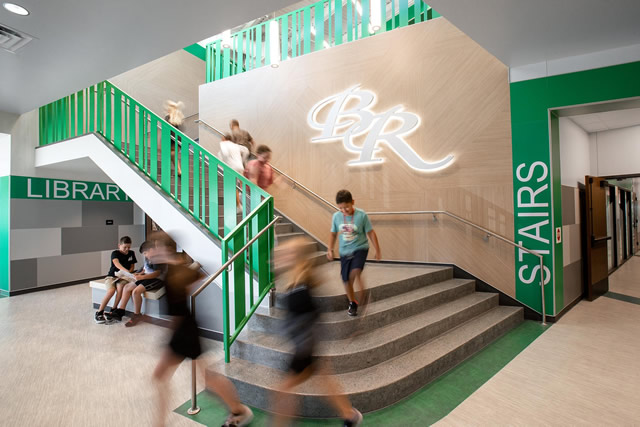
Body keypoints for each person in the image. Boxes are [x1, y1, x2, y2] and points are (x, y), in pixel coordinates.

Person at [150, 232, 253, 427]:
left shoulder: (172, 274)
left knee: (168, 376)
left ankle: (239, 410)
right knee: (200, 376)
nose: (152, 251)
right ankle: (238, 409)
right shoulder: (177, 269)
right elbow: (194, 276)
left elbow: (177, 314)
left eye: (155, 246)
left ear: (164, 248)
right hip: (188, 329)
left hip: (183, 331)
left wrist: (167, 336)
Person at [271, 237, 363, 427]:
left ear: (297, 258)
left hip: (305, 347)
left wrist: (306, 347)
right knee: (324, 381)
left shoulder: (301, 286)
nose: (279, 257)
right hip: (306, 345)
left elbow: (311, 317)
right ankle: (349, 415)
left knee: (282, 391)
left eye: (286, 254)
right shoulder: (295, 281)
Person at [327, 190, 381, 317]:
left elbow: (371, 233)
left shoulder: (361, 215)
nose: (344, 210)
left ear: (353, 202)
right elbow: (333, 233)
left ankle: (363, 292)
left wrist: (377, 250)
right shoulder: (336, 217)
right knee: (346, 280)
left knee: (356, 270)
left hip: (360, 248)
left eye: (346, 206)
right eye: (340, 208)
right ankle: (352, 302)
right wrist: (330, 249)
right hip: (344, 251)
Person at [106, 240, 166, 327]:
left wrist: (142, 277)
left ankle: (137, 315)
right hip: (147, 276)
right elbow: (145, 269)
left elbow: (157, 273)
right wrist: (138, 273)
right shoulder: (148, 257)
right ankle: (120, 311)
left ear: (152, 250)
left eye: (145, 253)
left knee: (136, 292)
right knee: (126, 287)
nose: (145, 255)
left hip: (156, 279)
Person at [95, 236, 137, 324]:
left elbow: (132, 266)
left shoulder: (131, 253)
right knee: (111, 291)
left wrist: (127, 273)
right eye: (124, 247)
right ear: (119, 245)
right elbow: (116, 263)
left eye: (129, 247)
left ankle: (114, 310)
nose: (127, 249)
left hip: (124, 277)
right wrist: (125, 271)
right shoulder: (115, 253)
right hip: (112, 276)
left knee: (121, 288)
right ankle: (99, 312)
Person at [218, 133, 250, 213]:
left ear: (224, 139)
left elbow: (224, 154)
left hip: (231, 167)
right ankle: (246, 199)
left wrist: (225, 162)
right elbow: (246, 151)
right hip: (240, 166)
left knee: (233, 186)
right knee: (243, 184)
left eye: (222, 138)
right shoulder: (235, 145)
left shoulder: (223, 144)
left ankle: (239, 205)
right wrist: (242, 160)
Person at [165, 100, 185, 176]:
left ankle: (179, 169)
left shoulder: (168, 117)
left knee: (172, 154)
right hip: (178, 139)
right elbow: (182, 129)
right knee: (172, 154)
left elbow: (166, 128)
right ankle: (178, 169)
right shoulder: (179, 117)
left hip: (171, 139)